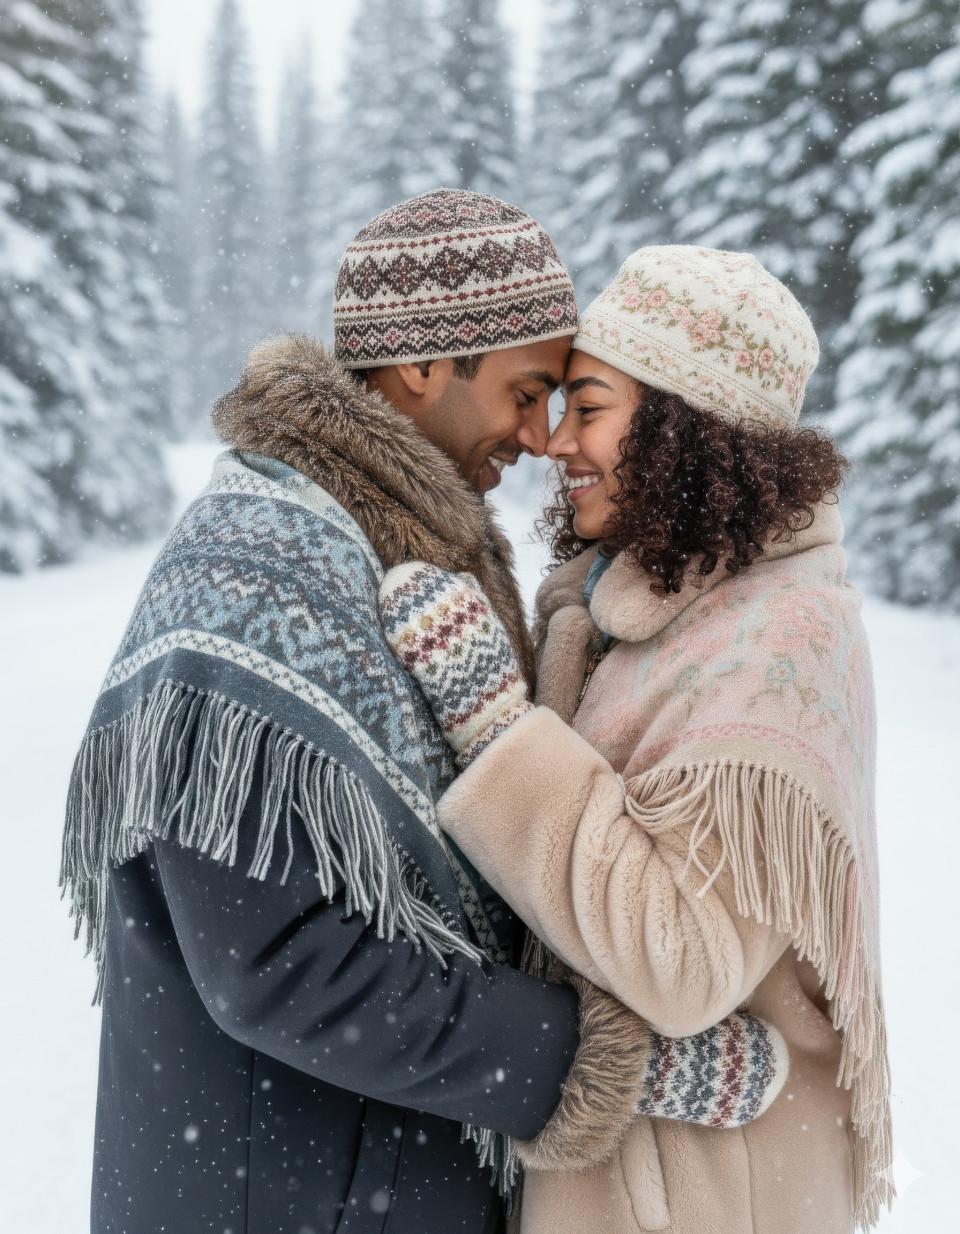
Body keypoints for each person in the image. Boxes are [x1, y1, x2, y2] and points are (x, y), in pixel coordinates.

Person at [61, 199, 786, 1234]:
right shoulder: (260, 565)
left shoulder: (383, 545)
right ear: (420, 368)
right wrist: (598, 1056)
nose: (540, 439)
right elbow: (276, 963)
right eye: (527, 391)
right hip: (276, 1196)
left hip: (356, 1180)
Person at [380, 245, 894, 1233]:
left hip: (709, 1198)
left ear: (683, 426)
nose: (558, 442)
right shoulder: (650, 602)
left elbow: (683, 957)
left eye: (591, 406)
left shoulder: (778, 638)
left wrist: (500, 730)